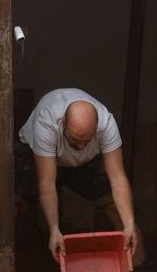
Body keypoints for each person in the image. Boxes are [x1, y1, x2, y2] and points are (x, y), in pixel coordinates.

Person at [19, 89, 140, 262]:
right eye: (75, 139)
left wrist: (129, 224)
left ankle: (137, 269)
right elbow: (47, 184)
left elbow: (118, 179)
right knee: (12, 204)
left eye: (87, 140)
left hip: (85, 164)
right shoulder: (45, 123)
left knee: (117, 208)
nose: (82, 146)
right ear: (63, 124)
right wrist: (54, 230)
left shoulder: (106, 123)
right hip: (36, 155)